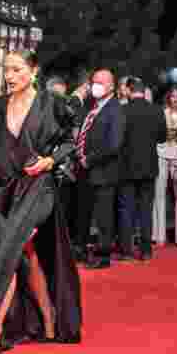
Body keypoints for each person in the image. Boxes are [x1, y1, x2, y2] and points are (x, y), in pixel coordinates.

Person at [0, 50, 82, 354]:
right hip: (6, 190)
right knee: (27, 255)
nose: (9, 76)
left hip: (39, 188)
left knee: (8, 250)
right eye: (6, 69)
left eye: (17, 69)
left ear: (34, 70)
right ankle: (48, 319)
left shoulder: (52, 103)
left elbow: (70, 142)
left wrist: (50, 160)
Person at [74, 68, 125, 269]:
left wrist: (90, 159)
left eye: (100, 83)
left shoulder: (115, 109)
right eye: (93, 82)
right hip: (85, 170)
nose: (95, 86)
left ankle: (103, 255)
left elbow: (114, 144)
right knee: (83, 212)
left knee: (103, 217)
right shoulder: (93, 106)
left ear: (111, 86)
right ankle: (80, 250)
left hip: (103, 171)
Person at [117, 77, 167, 261]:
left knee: (126, 209)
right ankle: (146, 251)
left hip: (126, 166)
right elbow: (162, 137)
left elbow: (117, 139)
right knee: (146, 209)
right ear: (144, 91)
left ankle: (126, 250)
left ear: (129, 91)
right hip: (149, 166)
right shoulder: (156, 110)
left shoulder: (122, 110)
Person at [154, 83, 177, 246]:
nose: (175, 99)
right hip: (161, 153)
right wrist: (163, 135)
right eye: (172, 96)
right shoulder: (162, 113)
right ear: (168, 98)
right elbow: (155, 133)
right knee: (159, 194)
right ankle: (158, 235)